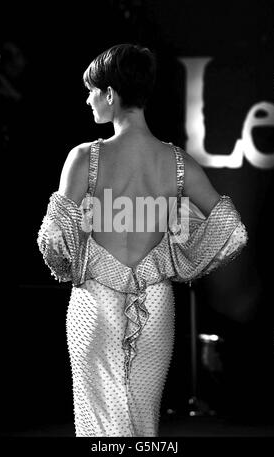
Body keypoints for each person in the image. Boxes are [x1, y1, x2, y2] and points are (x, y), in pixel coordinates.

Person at [37, 43, 247, 437]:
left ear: (110, 94)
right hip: (155, 303)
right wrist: (175, 260)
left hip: (93, 306)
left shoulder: (84, 157)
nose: (87, 100)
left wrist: (76, 266)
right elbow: (231, 230)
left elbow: (53, 238)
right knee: (143, 426)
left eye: (91, 91)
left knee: (99, 428)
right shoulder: (178, 162)